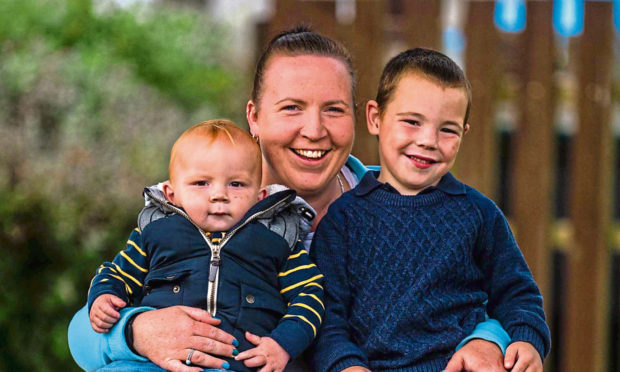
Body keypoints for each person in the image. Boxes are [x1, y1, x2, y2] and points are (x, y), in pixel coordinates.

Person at [69, 27, 512, 372]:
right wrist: (136, 330)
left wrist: (489, 336)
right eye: (291, 108)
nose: (315, 130)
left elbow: (501, 298)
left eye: (334, 109)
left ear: (363, 118)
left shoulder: (412, 203)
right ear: (254, 117)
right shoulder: (199, 200)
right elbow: (83, 333)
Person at [310, 48, 551, 372]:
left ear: (463, 134)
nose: (428, 140)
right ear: (375, 118)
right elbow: (328, 320)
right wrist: (345, 365)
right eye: (412, 122)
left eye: (447, 130)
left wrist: (526, 339)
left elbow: (517, 293)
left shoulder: (479, 214)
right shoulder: (342, 221)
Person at [87, 120, 324, 372]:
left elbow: (309, 293)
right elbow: (116, 273)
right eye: (201, 183)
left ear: (260, 196)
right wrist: (103, 297)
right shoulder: (155, 232)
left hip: (240, 363)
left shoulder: (276, 238)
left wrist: (282, 344)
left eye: (236, 184)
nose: (219, 194)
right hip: (158, 362)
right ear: (171, 193)